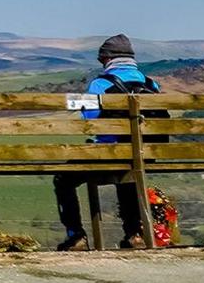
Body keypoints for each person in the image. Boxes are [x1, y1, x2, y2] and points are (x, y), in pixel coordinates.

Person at [53, 34, 161, 251]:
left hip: (110, 154)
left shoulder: (101, 84)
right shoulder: (151, 84)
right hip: (144, 154)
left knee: (63, 180)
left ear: (107, 59)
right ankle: (134, 234)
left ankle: (76, 236)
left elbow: (91, 122)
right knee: (128, 175)